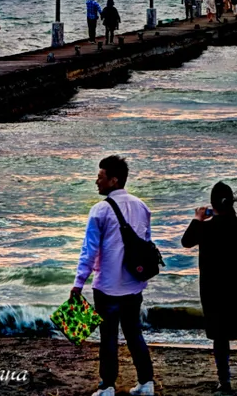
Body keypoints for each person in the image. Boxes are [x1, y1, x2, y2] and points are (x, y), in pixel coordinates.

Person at [70, 156, 156, 396]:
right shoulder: (142, 207)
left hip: (107, 286)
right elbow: (147, 245)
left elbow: (89, 250)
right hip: (133, 283)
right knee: (134, 333)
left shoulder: (99, 210)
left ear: (113, 179)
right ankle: (146, 383)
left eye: (100, 176)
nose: (96, 181)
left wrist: (78, 283)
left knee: (108, 337)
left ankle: (107, 386)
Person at [181, 182, 237, 394]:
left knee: (220, 338)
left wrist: (198, 219)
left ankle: (225, 381)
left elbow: (186, 241)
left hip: (213, 290)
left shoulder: (205, 228)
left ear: (212, 205)